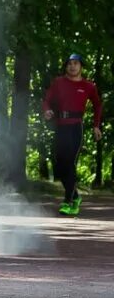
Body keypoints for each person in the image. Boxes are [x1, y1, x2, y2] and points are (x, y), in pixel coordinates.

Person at [41, 54, 102, 216]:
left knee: (69, 163)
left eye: (76, 64)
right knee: (59, 166)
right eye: (69, 64)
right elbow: (46, 100)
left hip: (76, 127)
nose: (72, 66)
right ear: (66, 66)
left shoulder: (88, 86)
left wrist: (96, 126)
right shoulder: (58, 82)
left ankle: (69, 201)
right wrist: (47, 110)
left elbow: (97, 105)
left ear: (81, 66)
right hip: (60, 126)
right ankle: (75, 195)